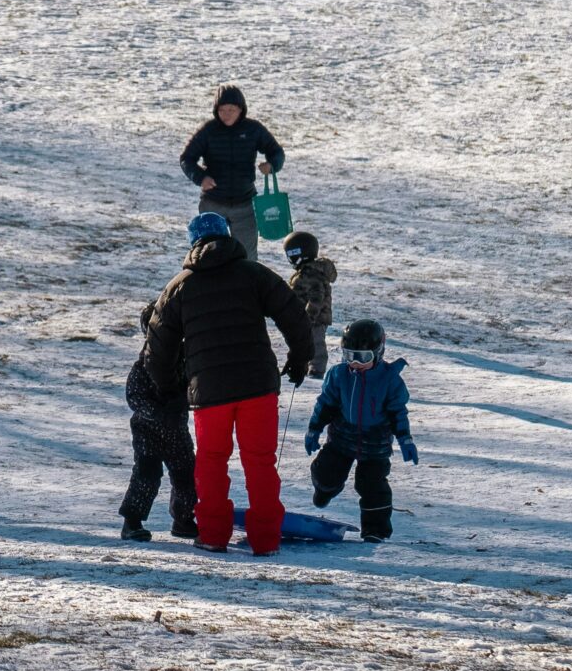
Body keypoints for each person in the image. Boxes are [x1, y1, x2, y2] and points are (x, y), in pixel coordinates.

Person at [142, 210, 311, 554]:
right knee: (260, 461)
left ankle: (214, 534)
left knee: (211, 461)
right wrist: (299, 357)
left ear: (193, 242)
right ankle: (265, 540)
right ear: (228, 235)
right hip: (258, 386)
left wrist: (166, 385)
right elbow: (292, 311)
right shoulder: (254, 274)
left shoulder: (179, 287)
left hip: (209, 391)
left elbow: (158, 345)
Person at [305, 319, 415, 542]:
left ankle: (376, 531)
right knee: (326, 472)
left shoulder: (390, 380)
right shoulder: (339, 375)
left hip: (376, 444)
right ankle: (324, 490)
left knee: (372, 486)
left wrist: (405, 439)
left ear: (378, 353)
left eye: (363, 357)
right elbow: (326, 404)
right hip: (342, 438)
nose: (355, 362)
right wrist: (314, 429)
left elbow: (397, 412)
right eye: (349, 355)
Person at [117, 292, 196, 544]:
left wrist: (184, 403)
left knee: (187, 475)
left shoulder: (184, 360)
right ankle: (132, 521)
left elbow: (194, 387)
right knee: (146, 474)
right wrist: (158, 413)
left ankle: (183, 519)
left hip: (177, 430)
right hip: (147, 430)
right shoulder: (143, 364)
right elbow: (135, 396)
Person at [179, 85, 285, 259]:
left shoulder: (253, 129)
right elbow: (186, 158)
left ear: (240, 110)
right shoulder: (208, 130)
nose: (226, 114)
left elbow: (277, 152)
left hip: (245, 204)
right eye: (222, 109)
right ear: (216, 110)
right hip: (213, 204)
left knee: (247, 256)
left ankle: (246, 286)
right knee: (209, 254)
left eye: (231, 109)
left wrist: (272, 165)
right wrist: (200, 177)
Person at [283, 230, 338, 378]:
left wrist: (308, 317)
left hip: (314, 319)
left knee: (316, 343)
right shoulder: (305, 272)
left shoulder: (311, 274)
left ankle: (317, 369)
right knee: (305, 342)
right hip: (305, 318)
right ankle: (306, 366)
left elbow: (316, 298)